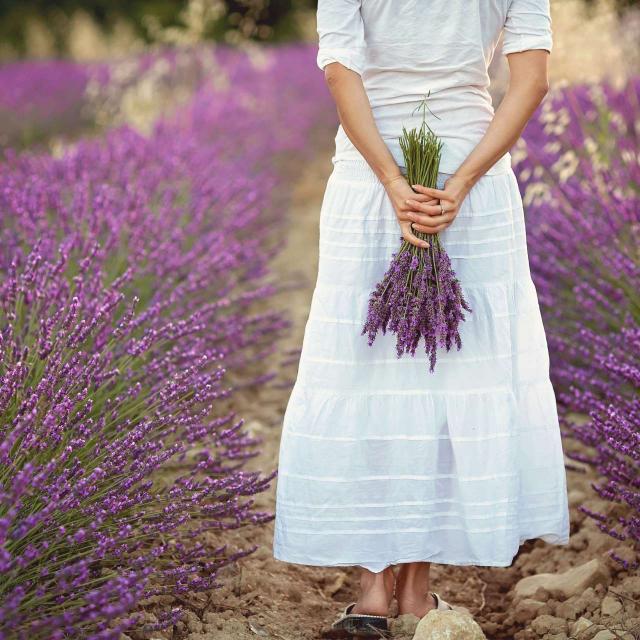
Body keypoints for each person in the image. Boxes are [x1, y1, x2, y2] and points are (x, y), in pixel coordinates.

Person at [272, 0, 571, 634]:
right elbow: (533, 80)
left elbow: (339, 71)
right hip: (474, 180)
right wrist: (459, 184)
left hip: (369, 176)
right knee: (450, 375)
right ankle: (415, 596)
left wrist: (390, 180)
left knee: (368, 371)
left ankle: (373, 594)